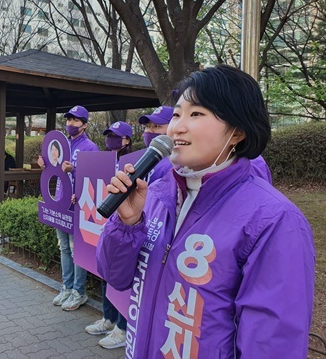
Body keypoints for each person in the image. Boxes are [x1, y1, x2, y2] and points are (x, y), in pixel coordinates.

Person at [97, 65, 315, 358]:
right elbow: (115, 276)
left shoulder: (273, 220)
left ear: (237, 131)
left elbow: (271, 344)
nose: (177, 127)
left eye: (196, 114)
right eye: (176, 114)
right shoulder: (156, 195)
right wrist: (128, 223)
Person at [38, 105, 99, 311]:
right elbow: (55, 169)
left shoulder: (90, 148)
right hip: (59, 201)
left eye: (75, 120)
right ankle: (66, 287)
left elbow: (96, 178)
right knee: (63, 247)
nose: (70, 124)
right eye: (68, 120)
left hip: (78, 206)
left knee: (76, 250)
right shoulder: (62, 145)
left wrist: (75, 168)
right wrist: (44, 163)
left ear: (85, 124)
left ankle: (78, 292)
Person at [85, 121, 133, 349]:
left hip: (128, 231)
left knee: (122, 280)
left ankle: (122, 328)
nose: (111, 139)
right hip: (104, 227)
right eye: (109, 135)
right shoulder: (102, 161)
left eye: (117, 136)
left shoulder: (135, 164)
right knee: (106, 274)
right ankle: (108, 319)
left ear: (127, 141)